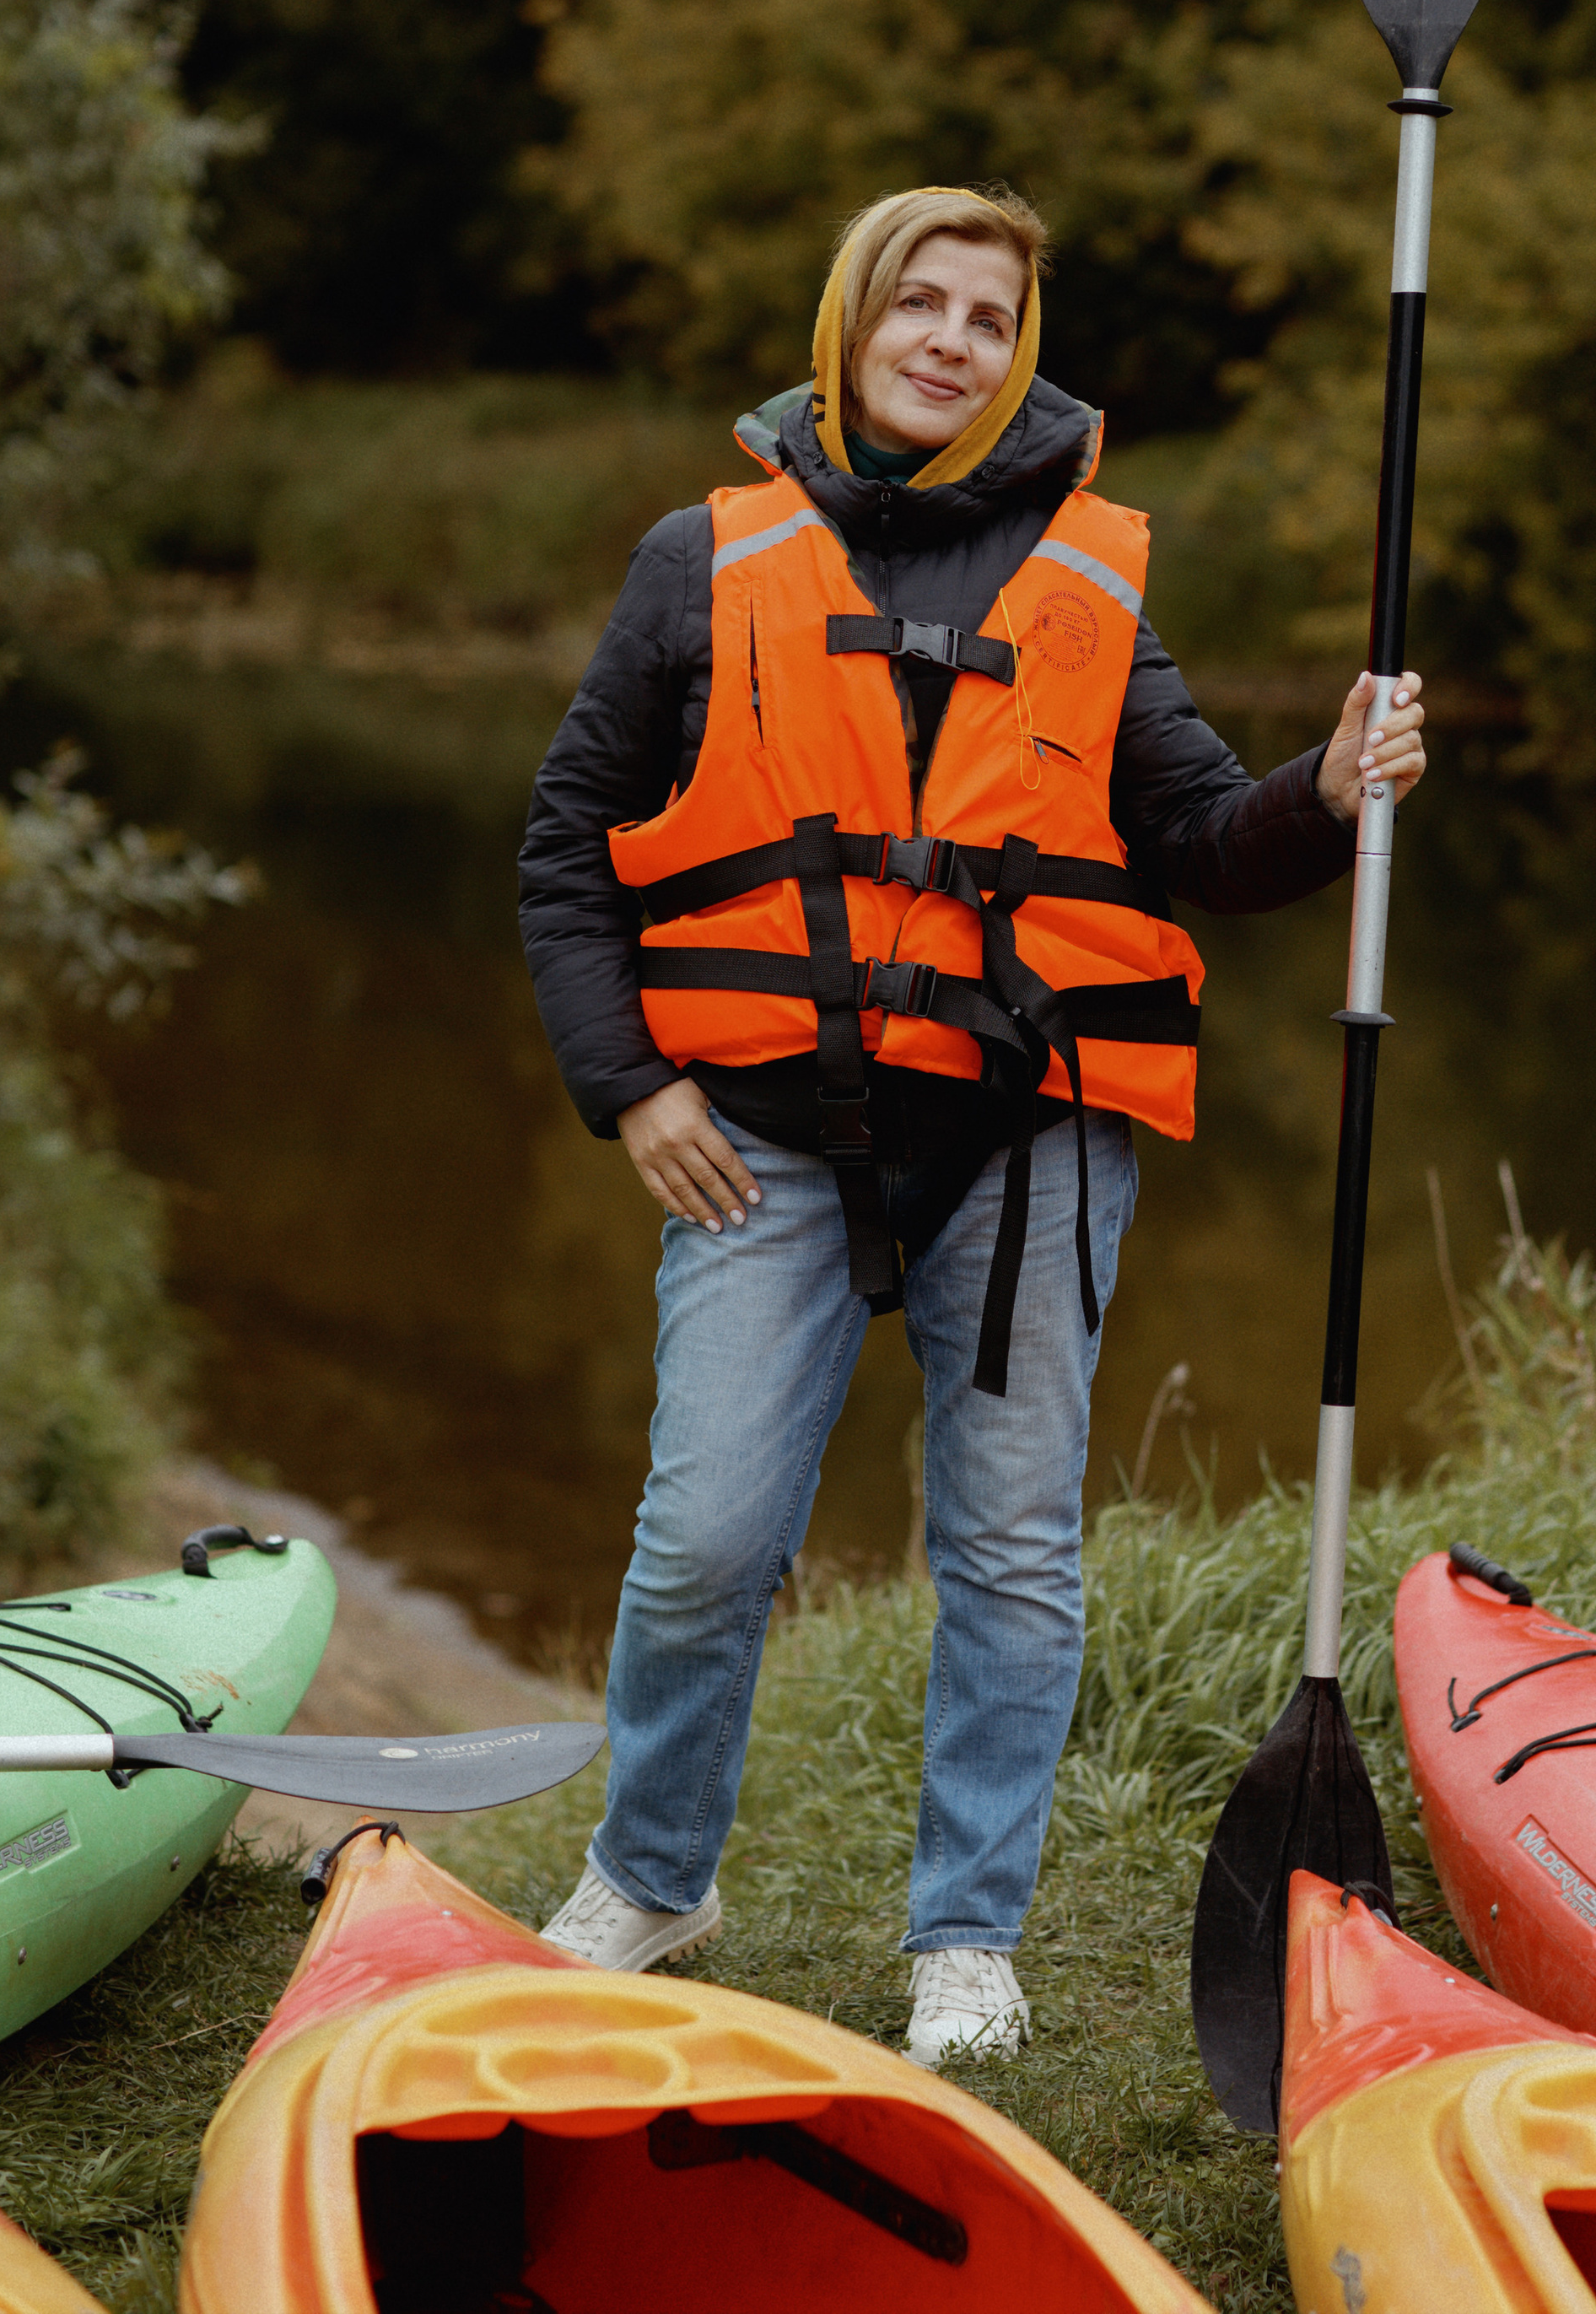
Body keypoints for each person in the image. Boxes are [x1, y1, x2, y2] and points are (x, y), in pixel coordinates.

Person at [517, 183, 1426, 2064]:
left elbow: (1192, 837)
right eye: (913, 304)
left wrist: (1326, 787)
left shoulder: (1085, 581)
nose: (946, 338)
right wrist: (628, 1086)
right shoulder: (697, 561)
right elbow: (564, 854)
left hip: (1024, 1139)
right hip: (749, 1132)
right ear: (849, 324)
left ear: (1021, 352)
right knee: (703, 1538)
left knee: (1008, 1547)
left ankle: (965, 1935)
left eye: (985, 316)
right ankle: (654, 1873)